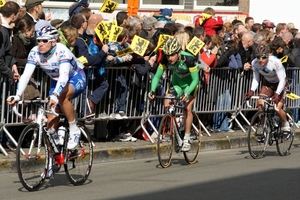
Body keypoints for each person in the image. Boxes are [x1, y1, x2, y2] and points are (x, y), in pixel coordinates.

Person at [7, 25, 86, 152]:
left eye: (45, 41)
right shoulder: (35, 52)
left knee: (61, 96)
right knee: (50, 126)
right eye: (39, 40)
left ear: (53, 41)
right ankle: (52, 158)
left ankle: (73, 128)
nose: (40, 44)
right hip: (56, 81)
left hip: (75, 77)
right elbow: (26, 75)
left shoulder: (62, 51)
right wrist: (17, 95)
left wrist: (55, 95)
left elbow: (64, 76)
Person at [148, 38, 200, 152]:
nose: (169, 58)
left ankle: (186, 137)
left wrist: (186, 93)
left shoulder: (189, 59)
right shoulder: (165, 60)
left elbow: (196, 79)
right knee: (167, 105)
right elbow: (157, 76)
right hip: (176, 84)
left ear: (178, 53)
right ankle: (174, 132)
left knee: (187, 107)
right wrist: (152, 90)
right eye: (167, 55)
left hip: (189, 84)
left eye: (172, 55)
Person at [245, 44, 290, 140]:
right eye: (258, 57)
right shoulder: (254, 63)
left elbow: (282, 80)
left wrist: (277, 94)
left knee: (277, 108)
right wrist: (251, 91)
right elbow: (256, 79)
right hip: (268, 83)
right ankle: (264, 131)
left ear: (268, 56)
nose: (261, 60)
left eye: (263, 57)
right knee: (260, 104)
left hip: (280, 83)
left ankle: (286, 127)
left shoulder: (275, 62)